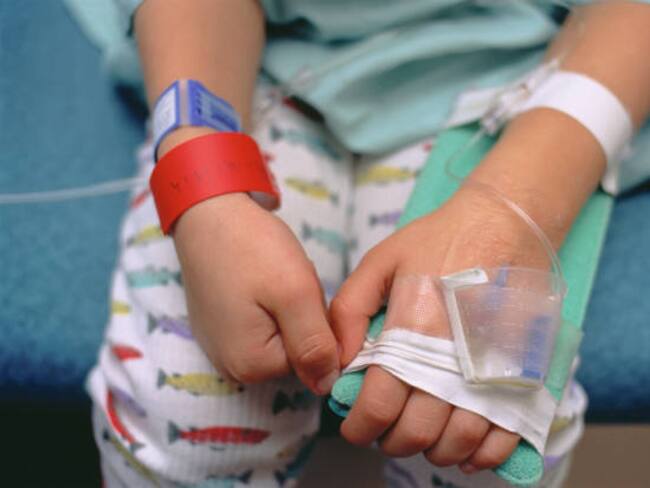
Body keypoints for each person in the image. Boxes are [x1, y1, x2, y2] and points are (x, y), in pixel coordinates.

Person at [66, 0, 650, 486]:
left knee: (484, 441)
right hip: (254, 59)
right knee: (189, 424)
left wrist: (511, 207)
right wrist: (203, 182)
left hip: (535, 74)